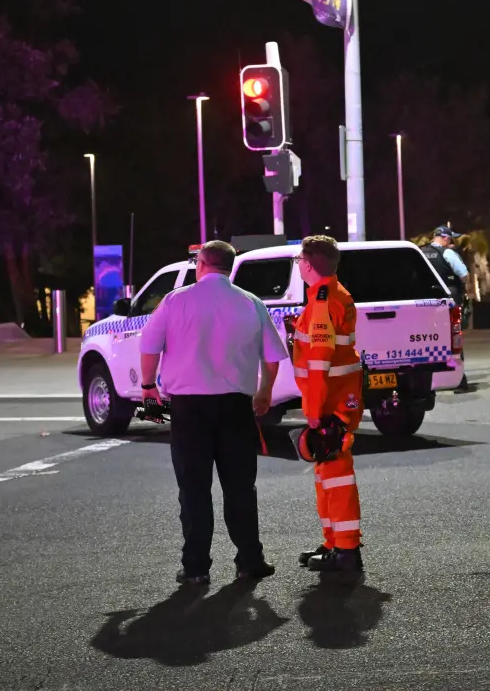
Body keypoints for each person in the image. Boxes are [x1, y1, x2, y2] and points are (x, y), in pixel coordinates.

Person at [139, 240, 288, 586]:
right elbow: (272, 356)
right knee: (240, 487)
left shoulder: (175, 300)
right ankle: (250, 560)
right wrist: (265, 391)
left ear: (201, 265)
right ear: (229, 267)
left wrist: (148, 386)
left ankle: (195, 567)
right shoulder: (250, 302)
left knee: (193, 488)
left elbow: (149, 345)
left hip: (188, 409)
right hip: (236, 407)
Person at [293, 235, 366, 573]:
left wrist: (314, 411)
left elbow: (319, 363)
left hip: (329, 401)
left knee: (336, 476)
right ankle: (334, 543)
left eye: (299, 260)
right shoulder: (332, 294)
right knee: (327, 475)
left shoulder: (322, 302)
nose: (298, 265)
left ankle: (346, 550)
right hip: (338, 397)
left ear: (308, 265)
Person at [421, 226, 474, 391]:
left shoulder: (420, 252)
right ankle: (459, 380)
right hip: (448, 302)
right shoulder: (448, 253)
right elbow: (464, 276)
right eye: (450, 239)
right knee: (453, 338)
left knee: (428, 339)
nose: (451, 242)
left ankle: (427, 380)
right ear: (445, 238)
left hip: (424, 304)